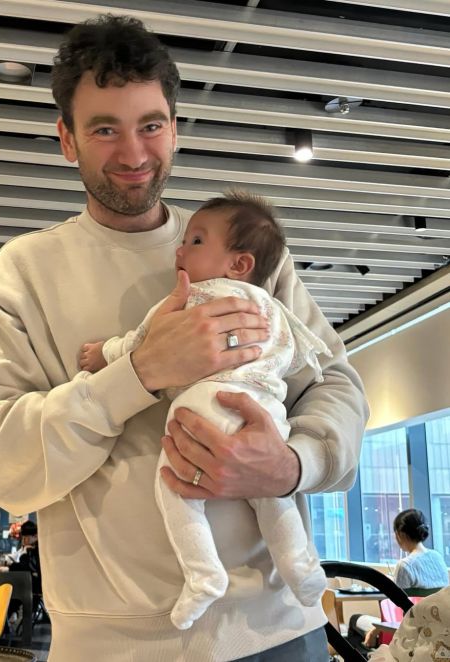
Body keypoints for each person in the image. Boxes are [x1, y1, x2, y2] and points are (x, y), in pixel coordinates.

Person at [0, 15, 369, 662]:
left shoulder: (243, 253)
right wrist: (137, 372)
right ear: (66, 139)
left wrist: (293, 465)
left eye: (150, 125)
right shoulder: (20, 275)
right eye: (104, 129)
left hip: (280, 630)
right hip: (115, 648)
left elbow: (335, 382)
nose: (133, 154)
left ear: (175, 127)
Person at [80, 190, 329, 629]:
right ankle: (301, 568)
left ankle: (203, 574)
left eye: (195, 241)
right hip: (266, 414)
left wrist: (104, 353)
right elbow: (299, 360)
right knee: (271, 496)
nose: (180, 250)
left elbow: (144, 342)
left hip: (208, 403)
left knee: (176, 488)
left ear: (239, 264)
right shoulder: (273, 308)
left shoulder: (194, 296)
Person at [352, 509, 449, 651]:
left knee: (355, 620)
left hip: (408, 632)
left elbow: (396, 610)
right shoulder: (438, 557)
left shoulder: (405, 565)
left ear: (400, 534)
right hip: (438, 630)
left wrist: (375, 631)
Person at [368, 586, 450, 662]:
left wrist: (375, 630)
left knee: (360, 619)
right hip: (408, 617)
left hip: (403, 619)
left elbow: (399, 588)